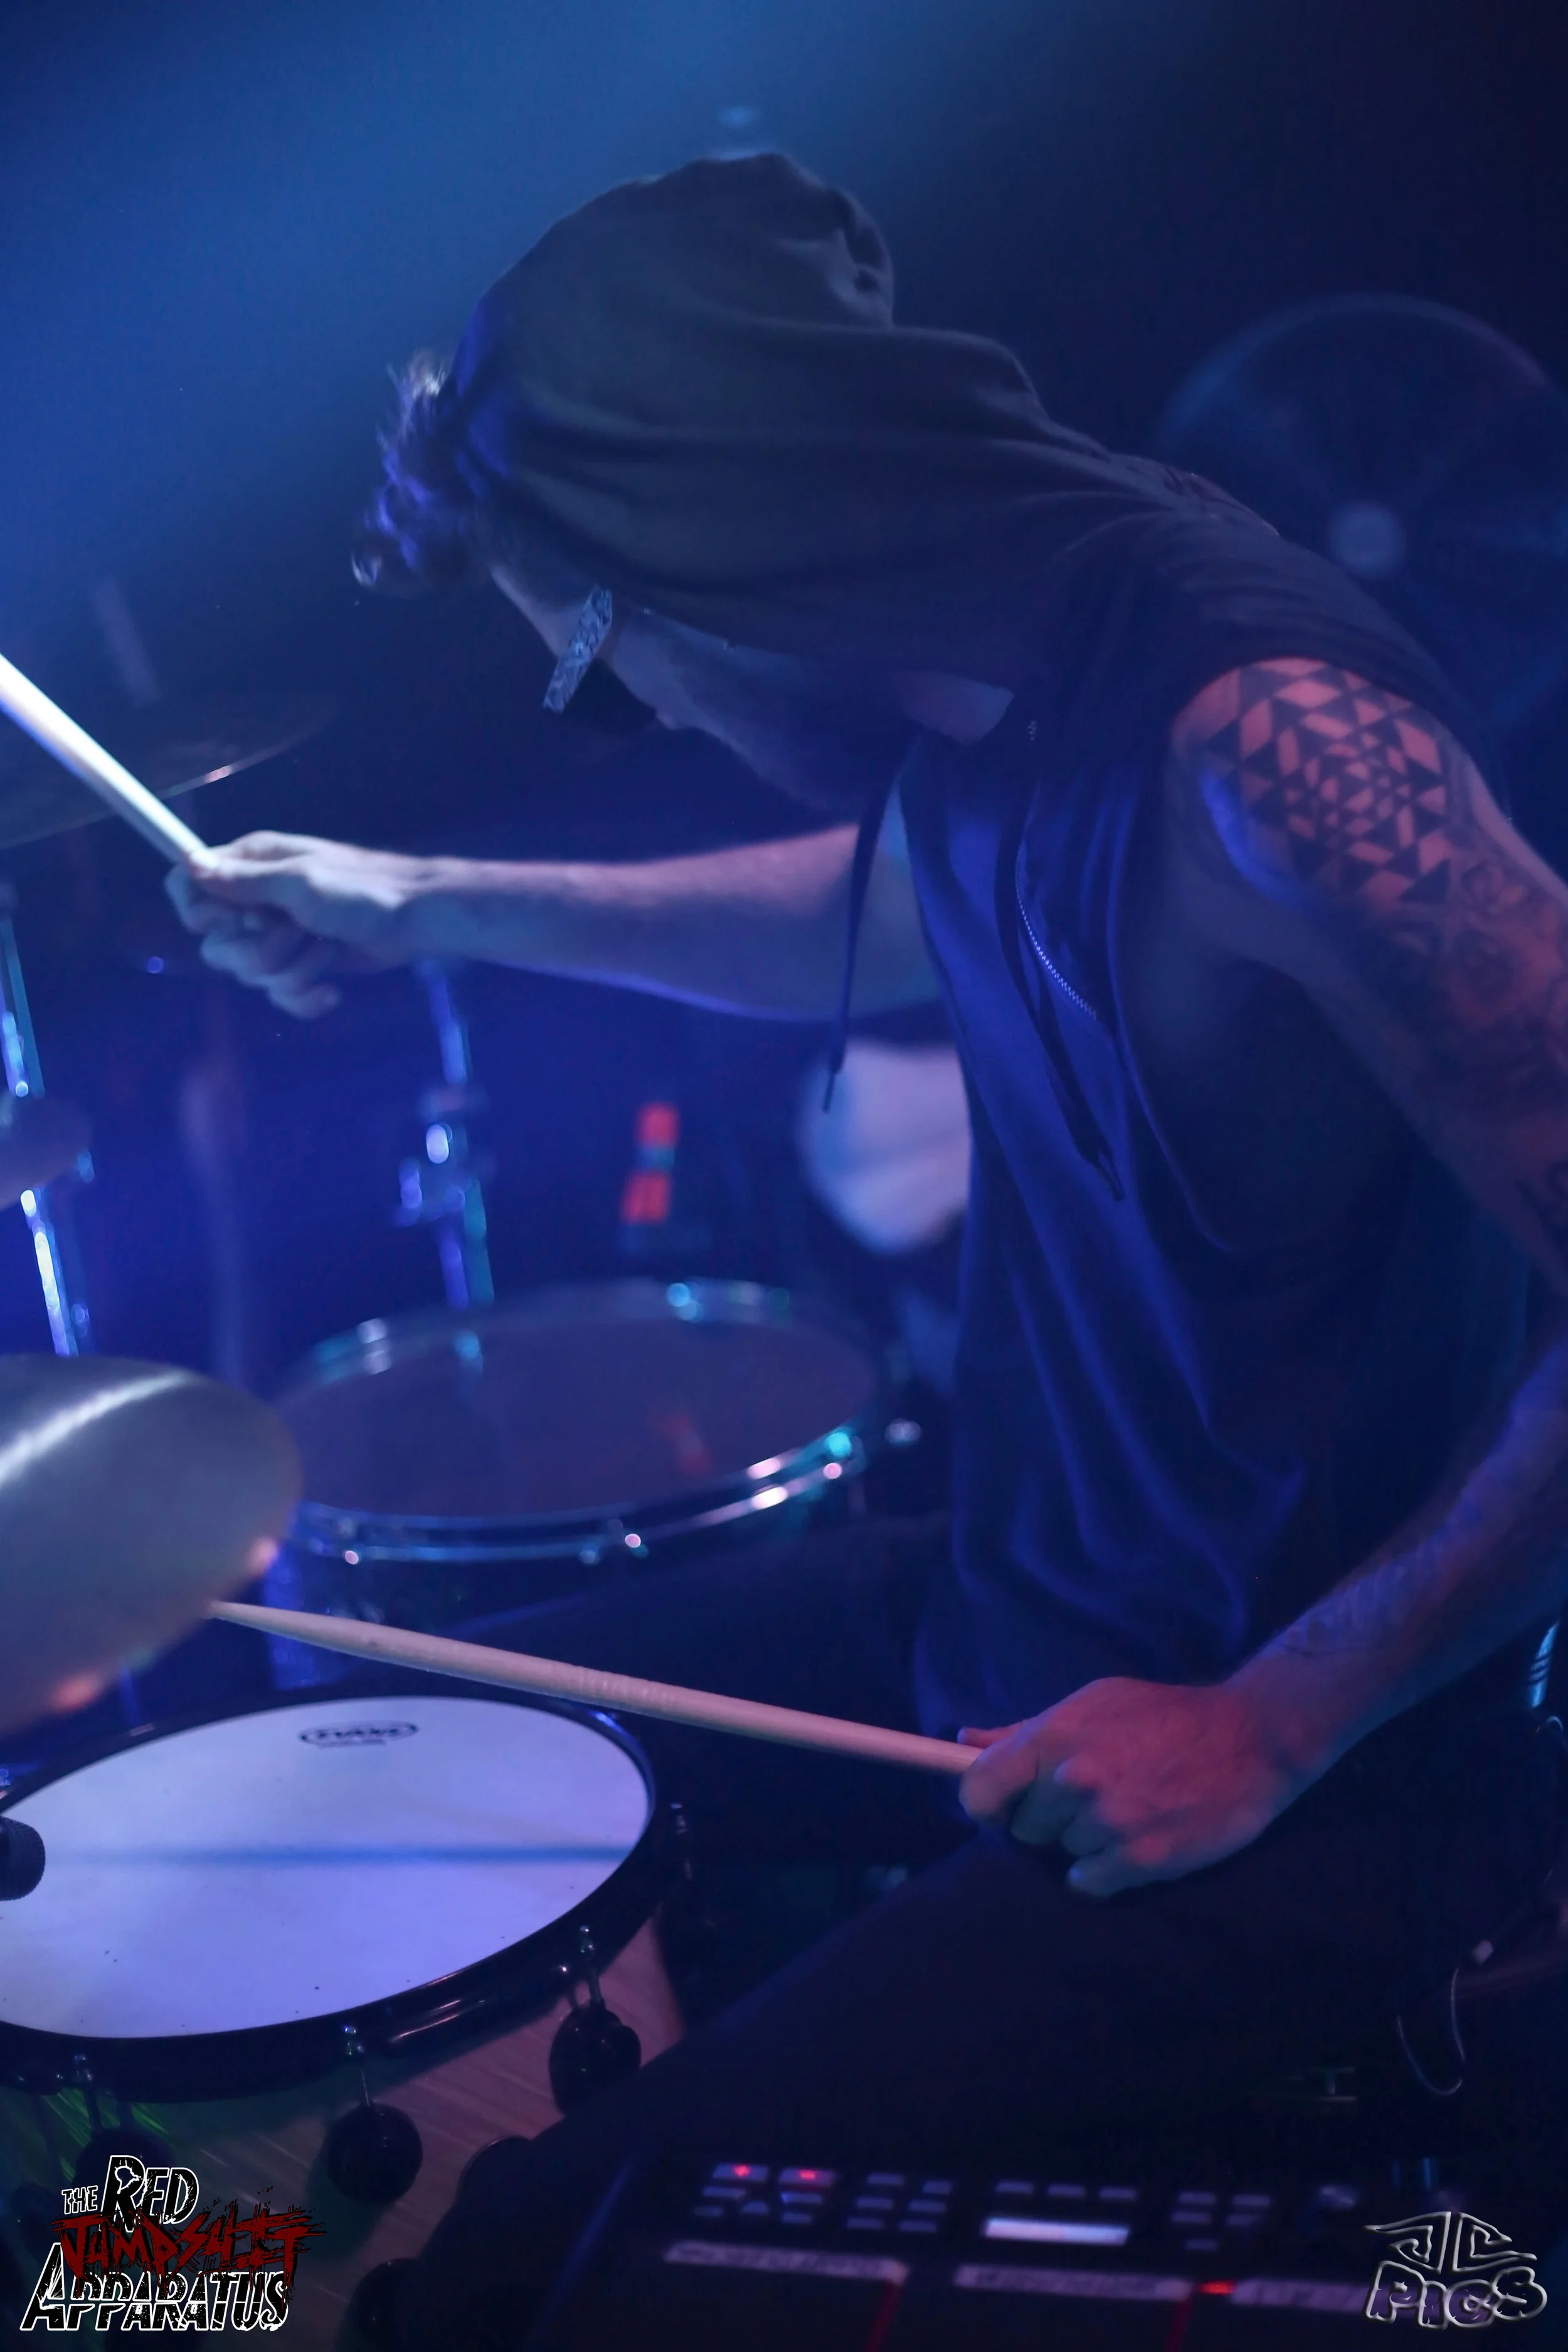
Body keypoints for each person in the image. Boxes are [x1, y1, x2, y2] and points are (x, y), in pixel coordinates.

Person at [169, 156, 1568, 2341]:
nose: (629, 714)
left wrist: (1277, 1720)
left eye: (598, 657)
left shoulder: (1276, 758)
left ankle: (220, 2292)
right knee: (337, 1772)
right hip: (1025, 1597)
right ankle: (111, 2276)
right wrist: (425, 901)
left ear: (736, 545)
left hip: (1306, 1772)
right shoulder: (996, 678)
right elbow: (912, 900)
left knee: (508, 2271)